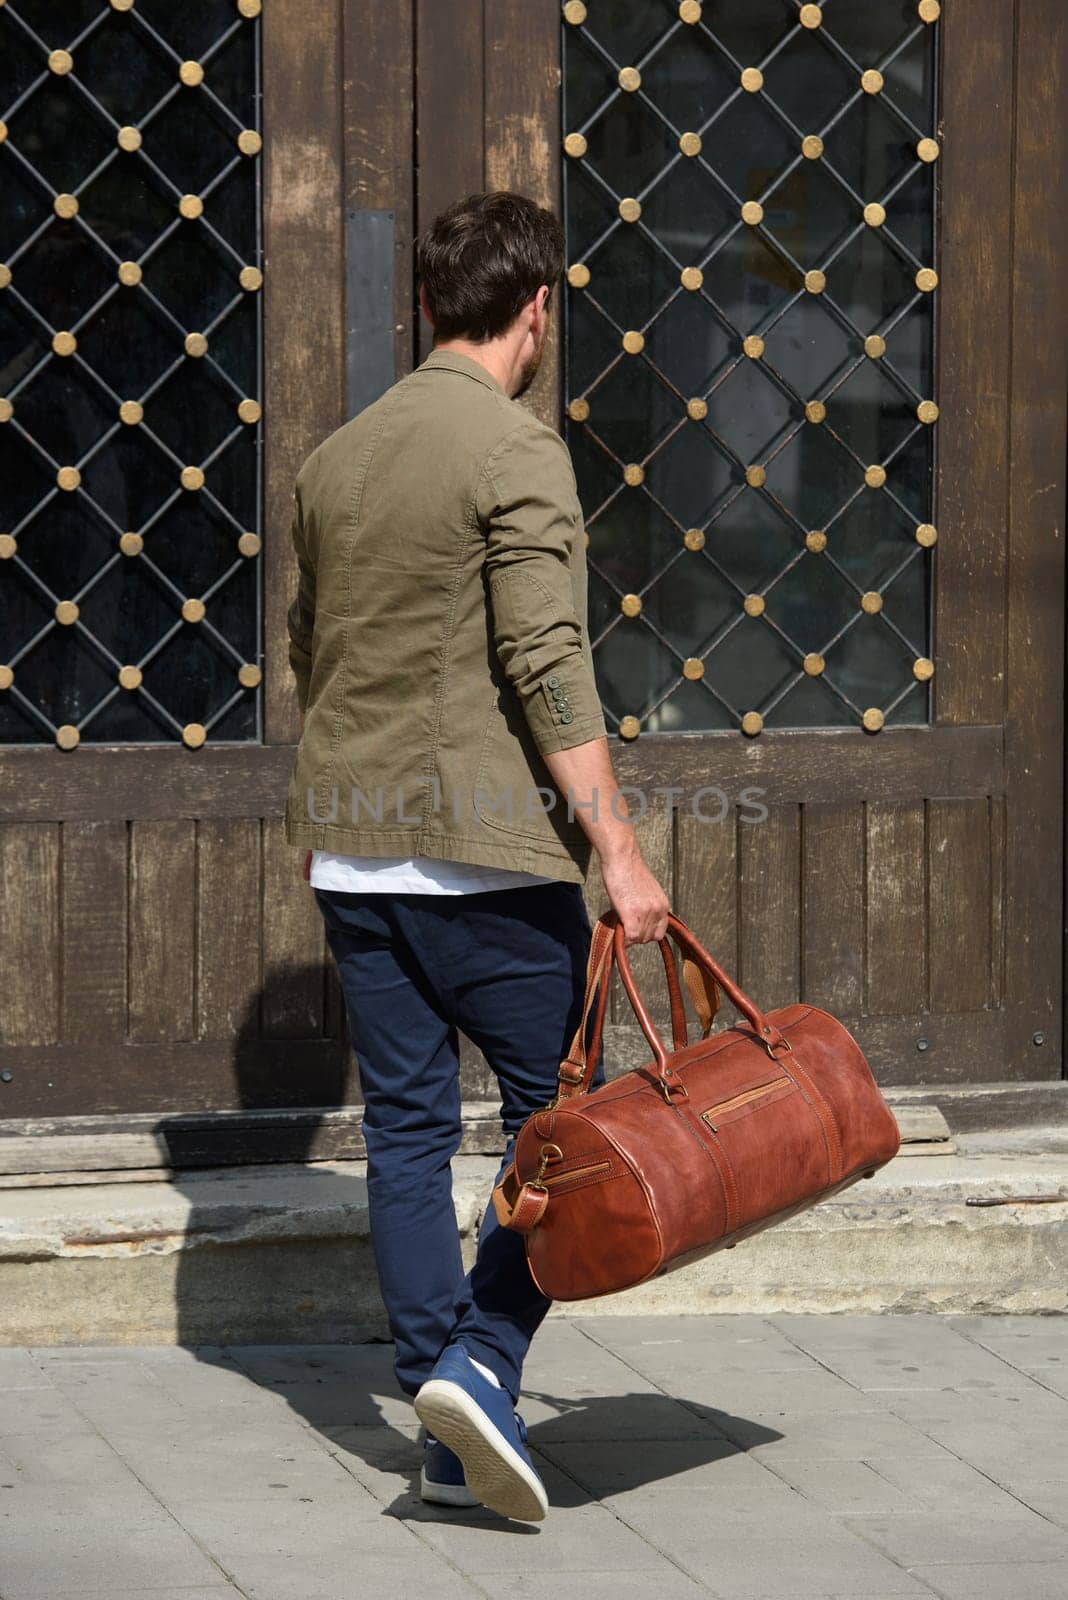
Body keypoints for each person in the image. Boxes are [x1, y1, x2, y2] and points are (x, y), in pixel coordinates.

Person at [283, 190, 669, 1522]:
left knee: (404, 1127)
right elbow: (545, 658)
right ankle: (483, 1364)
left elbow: (308, 653)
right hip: (486, 861)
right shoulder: (515, 451)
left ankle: (444, 1428)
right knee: (568, 1125)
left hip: (354, 854)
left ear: (434, 308)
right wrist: (617, 847)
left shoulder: (336, 459)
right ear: (537, 309)